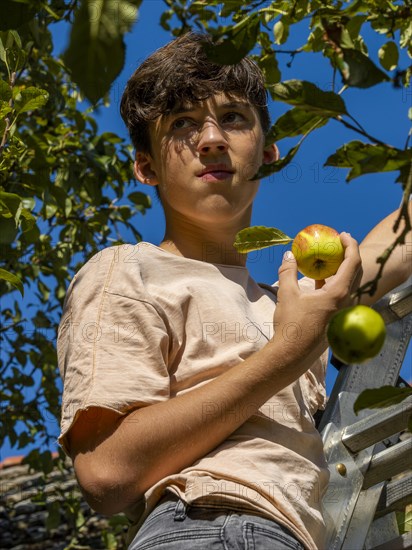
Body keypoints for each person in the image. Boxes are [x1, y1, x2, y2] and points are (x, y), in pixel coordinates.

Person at [57, 33, 411, 550]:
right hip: (204, 526)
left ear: (268, 152)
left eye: (234, 118)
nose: (212, 139)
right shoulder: (129, 271)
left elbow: (400, 241)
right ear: (147, 167)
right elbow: (108, 472)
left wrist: (298, 331)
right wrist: (289, 349)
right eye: (182, 123)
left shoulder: (294, 298)